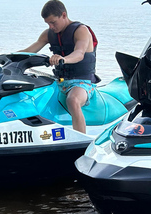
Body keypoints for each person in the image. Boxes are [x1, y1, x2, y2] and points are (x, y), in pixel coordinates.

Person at [19, 0, 99, 133]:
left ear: (63, 15)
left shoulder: (81, 31)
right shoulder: (48, 34)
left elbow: (79, 54)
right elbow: (30, 51)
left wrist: (63, 59)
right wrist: (4, 56)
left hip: (82, 82)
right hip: (60, 81)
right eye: (47, 23)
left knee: (72, 100)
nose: (51, 26)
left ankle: (81, 141)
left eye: (53, 22)